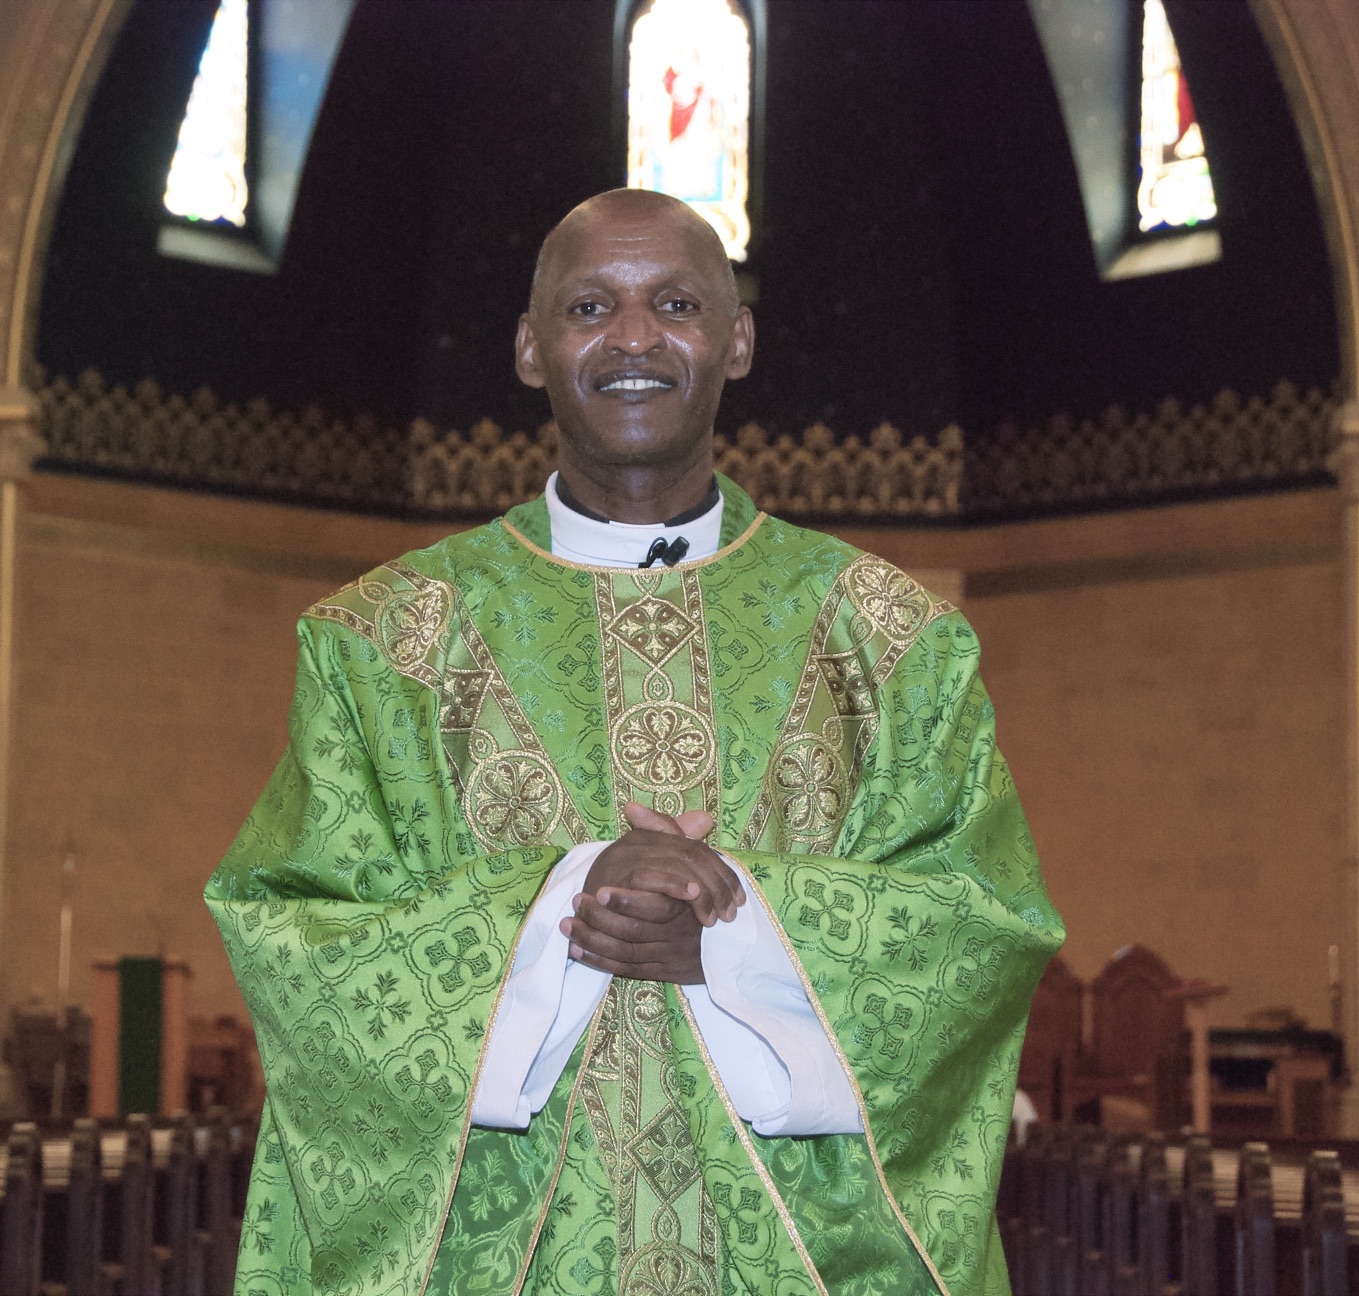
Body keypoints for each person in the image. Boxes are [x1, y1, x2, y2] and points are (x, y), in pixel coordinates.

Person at [206, 188, 1063, 1296]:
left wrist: (734, 936)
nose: (632, 339)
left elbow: (984, 920)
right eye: (587, 306)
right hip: (495, 1251)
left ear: (736, 339)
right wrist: (569, 900)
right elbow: (295, 932)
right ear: (528, 348)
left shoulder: (890, 641)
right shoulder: (384, 642)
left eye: (673, 302)